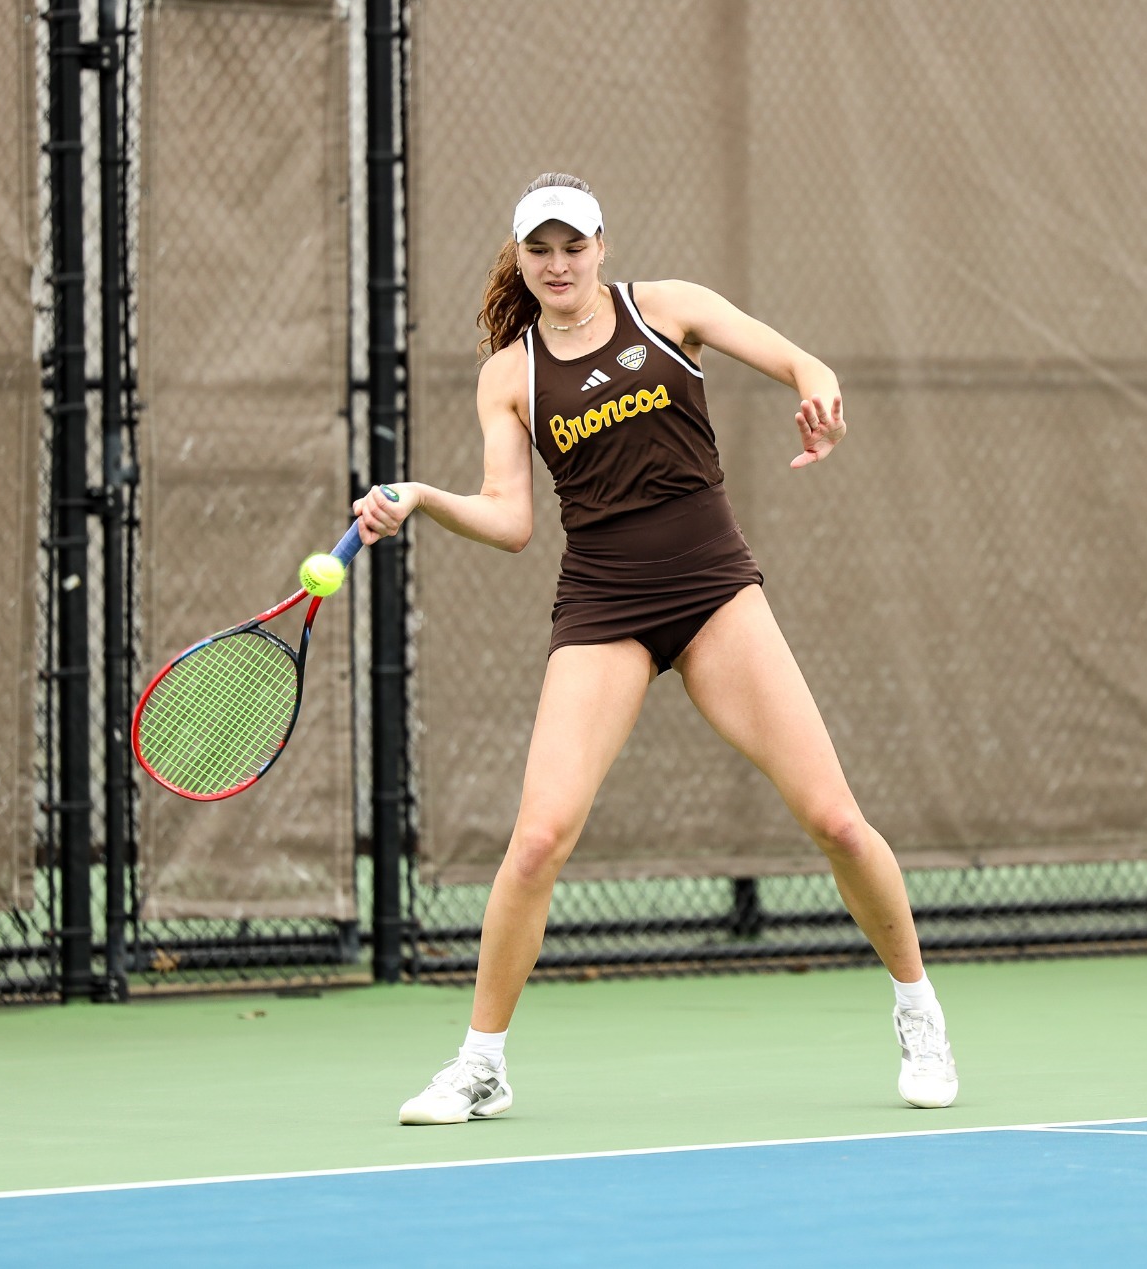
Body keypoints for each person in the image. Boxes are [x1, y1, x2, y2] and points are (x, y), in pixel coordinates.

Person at [351, 173, 957, 1125]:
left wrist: (819, 400)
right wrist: (421, 498)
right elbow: (513, 520)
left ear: (602, 246)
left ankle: (920, 1012)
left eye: (574, 246)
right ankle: (481, 1064)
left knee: (836, 820)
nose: (558, 264)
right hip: (601, 601)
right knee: (539, 837)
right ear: (520, 256)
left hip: (714, 586)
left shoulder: (667, 309)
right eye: (539, 249)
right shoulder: (509, 376)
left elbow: (807, 366)